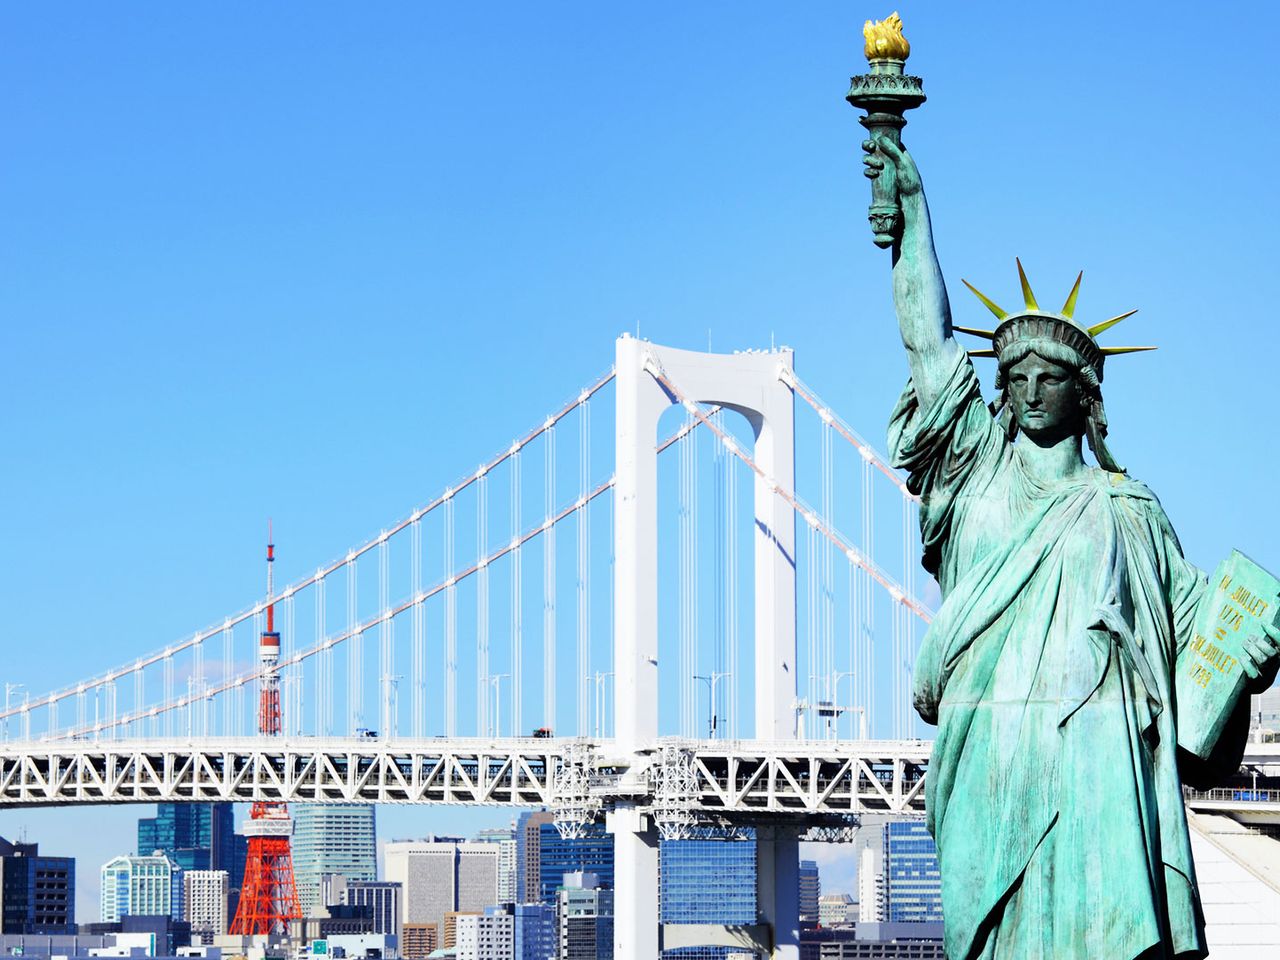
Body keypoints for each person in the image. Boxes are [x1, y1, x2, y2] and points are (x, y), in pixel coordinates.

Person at [862, 135, 1280, 960]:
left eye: (1046, 376)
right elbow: (929, 344)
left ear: (1084, 396)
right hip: (991, 752)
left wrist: (1254, 650)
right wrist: (913, 212)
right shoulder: (975, 471)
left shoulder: (1130, 509)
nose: (1024, 388)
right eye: (1012, 376)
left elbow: (1200, 634)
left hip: (1102, 756)